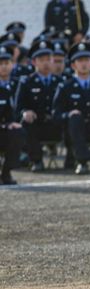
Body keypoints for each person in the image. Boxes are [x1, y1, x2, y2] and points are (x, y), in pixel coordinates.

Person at [52, 43, 90, 175]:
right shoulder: (65, 86)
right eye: (80, 61)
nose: (84, 64)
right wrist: (69, 115)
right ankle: (82, 162)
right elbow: (56, 114)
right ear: (73, 65)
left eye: (87, 60)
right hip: (75, 132)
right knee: (75, 118)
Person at [15, 40, 64, 172]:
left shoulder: (60, 81)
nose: (46, 63)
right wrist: (25, 112)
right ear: (34, 62)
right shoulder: (26, 82)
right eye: (41, 59)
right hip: (37, 125)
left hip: (55, 123)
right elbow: (18, 108)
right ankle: (36, 160)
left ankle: (72, 158)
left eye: (49, 59)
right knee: (26, 122)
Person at [0, 45, 24, 185]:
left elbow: (9, 112)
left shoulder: (17, 84)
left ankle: (6, 171)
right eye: (0, 64)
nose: (3, 67)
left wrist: (10, 123)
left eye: (6, 63)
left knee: (18, 131)